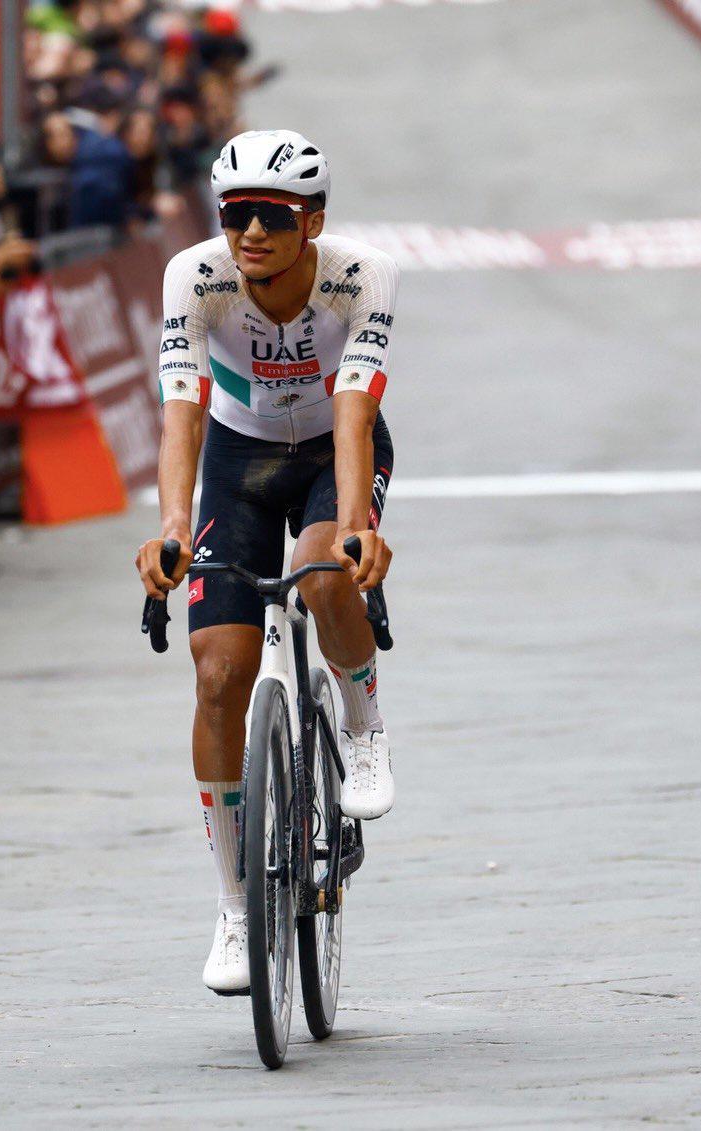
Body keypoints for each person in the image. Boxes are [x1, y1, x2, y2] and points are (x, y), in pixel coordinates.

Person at [133, 130, 397, 994]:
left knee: (323, 569)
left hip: (331, 454)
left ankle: (361, 728)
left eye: (271, 216)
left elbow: (354, 414)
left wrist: (355, 523)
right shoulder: (195, 276)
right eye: (234, 213)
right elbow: (181, 411)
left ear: (311, 222)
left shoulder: (360, 278)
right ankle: (236, 905)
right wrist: (173, 523)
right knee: (217, 675)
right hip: (235, 468)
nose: (249, 232)